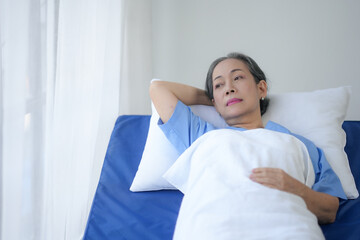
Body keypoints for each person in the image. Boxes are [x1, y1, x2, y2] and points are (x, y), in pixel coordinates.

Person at [149, 52, 346, 224]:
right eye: (219, 85)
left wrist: (295, 189)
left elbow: (329, 210)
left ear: (261, 89)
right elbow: (158, 89)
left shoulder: (298, 145)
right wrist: (215, 99)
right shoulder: (204, 137)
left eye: (238, 78)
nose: (229, 88)